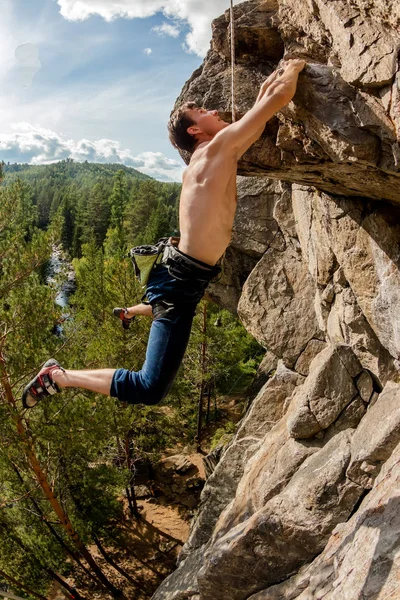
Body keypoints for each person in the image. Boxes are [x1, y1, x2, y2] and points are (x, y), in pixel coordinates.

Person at [22, 58, 306, 409]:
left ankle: (135, 311)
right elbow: (275, 101)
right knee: (149, 387)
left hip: (182, 278)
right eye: (203, 110)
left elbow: (261, 110)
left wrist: (274, 78)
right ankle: (57, 377)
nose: (215, 109)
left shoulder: (209, 156)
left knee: (164, 334)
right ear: (194, 131)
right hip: (180, 282)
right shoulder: (217, 150)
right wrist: (294, 66)